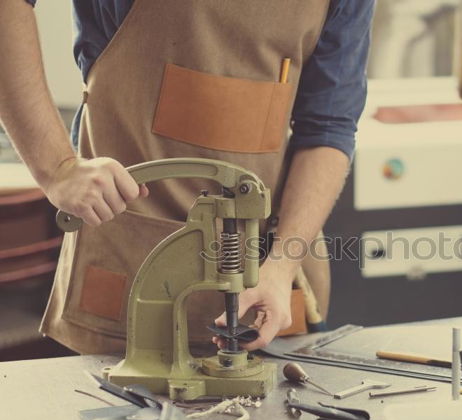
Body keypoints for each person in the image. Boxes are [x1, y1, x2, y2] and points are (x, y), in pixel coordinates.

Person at [0, 0, 374, 354]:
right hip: (128, 258)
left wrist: (282, 264)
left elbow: (328, 126)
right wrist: (56, 169)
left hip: (271, 278)